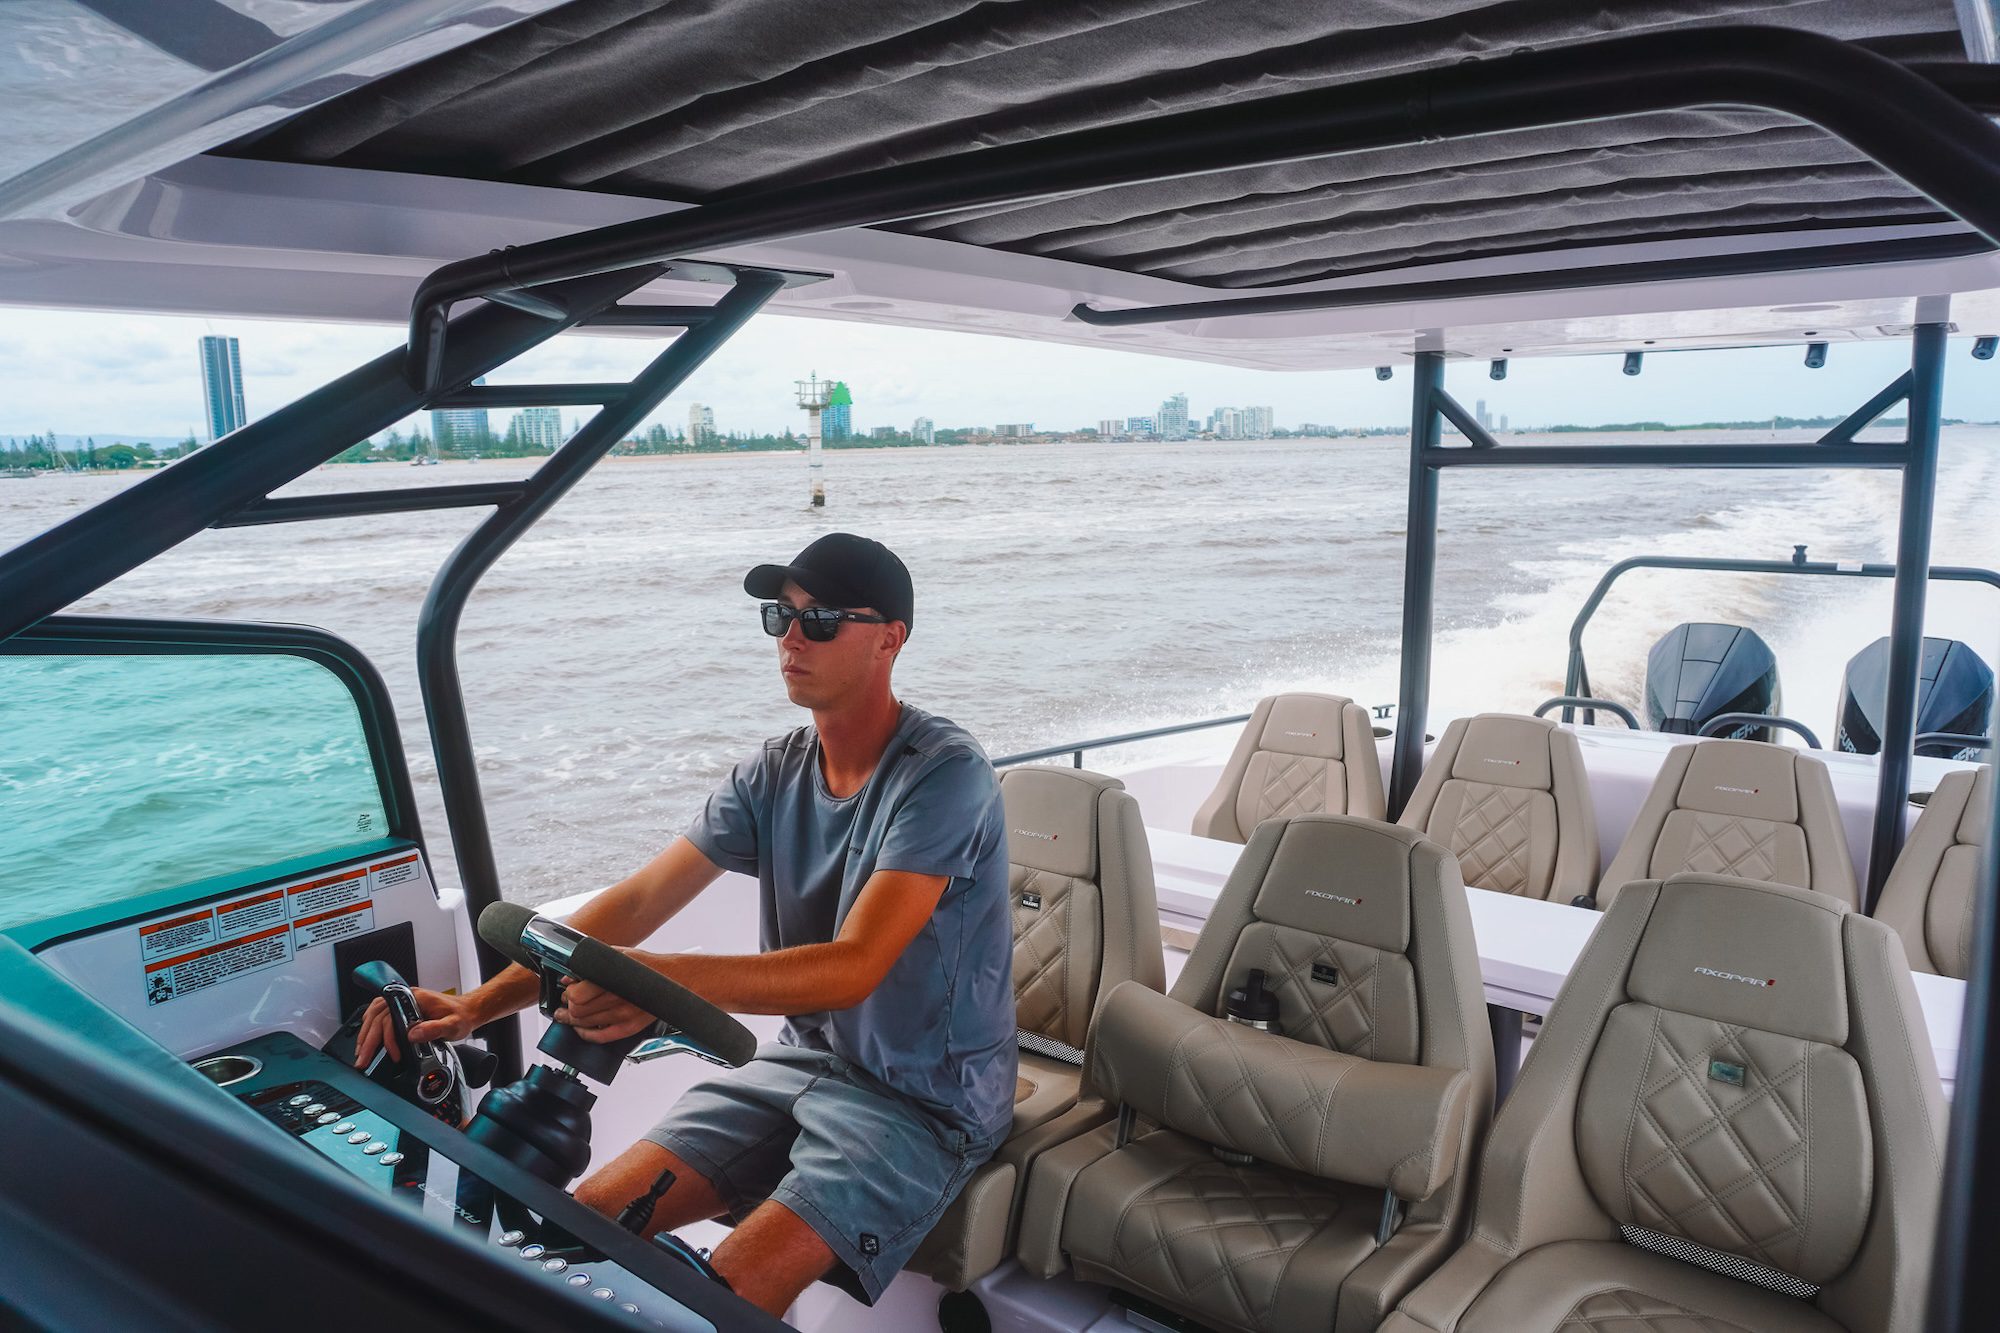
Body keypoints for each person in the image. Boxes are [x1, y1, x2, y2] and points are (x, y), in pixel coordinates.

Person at [355, 532, 1015, 1315]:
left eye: (821, 619)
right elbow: (636, 903)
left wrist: (651, 981)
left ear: (889, 639)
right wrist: (474, 1006)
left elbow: (852, 965)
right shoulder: (774, 770)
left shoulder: (944, 775)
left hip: (924, 1100)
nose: (792, 637)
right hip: (804, 1063)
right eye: (781, 616)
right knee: (579, 1228)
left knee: (716, 1299)